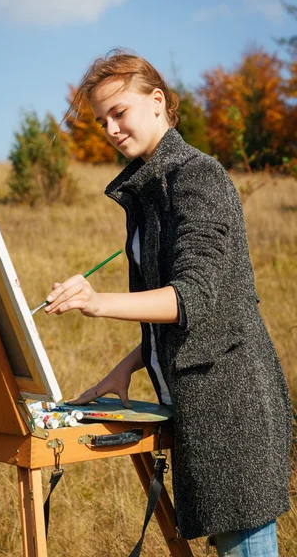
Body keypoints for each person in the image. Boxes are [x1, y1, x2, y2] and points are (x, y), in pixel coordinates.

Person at [43, 50, 293, 556]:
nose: (111, 129)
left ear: (157, 101)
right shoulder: (151, 186)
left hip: (231, 405)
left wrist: (95, 302)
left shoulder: (196, 177)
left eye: (120, 112)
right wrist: (128, 365)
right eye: (101, 120)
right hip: (203, 403)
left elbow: (194, 299)